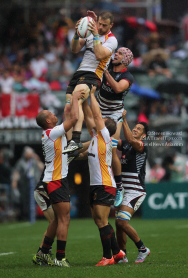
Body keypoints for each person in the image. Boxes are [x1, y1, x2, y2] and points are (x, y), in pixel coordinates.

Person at [33, 90, 84, 267]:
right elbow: (74, 119)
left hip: (55, 179)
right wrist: (76, 98)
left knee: (57, 219)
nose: (55, 115)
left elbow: (68, 114)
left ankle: (43, 252)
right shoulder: (52, 132)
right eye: (52, 114)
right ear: (48, 121)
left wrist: (70, 102)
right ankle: (60, 258)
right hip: (55, 181)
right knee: (64, 219)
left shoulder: (52, 133)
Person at [63, 10, 118, 154]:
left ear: (111, 25)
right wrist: (77, 33)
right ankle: (70, 148)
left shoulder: (112, 40)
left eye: (104, 25)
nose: (100, 27)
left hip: (93, 75)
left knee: (76, 99)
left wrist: (95, 34)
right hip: (79, 73)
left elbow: (99, 54)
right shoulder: (91, 33)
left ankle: (76, 139)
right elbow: (74, 49)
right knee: (67, 109)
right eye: (99, 23)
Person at [83, 86, 125, 266]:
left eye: (101, 120)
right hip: (96, 184)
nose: (98, 121)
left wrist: (92, 95)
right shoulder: (95, 138)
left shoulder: (106, 135)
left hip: (105, 183)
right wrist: (82, 100)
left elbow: (97, 116)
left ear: (105, 125)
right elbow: (88, 117)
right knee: (99, 220)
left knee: (102, 221)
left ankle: (107, 257)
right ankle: (117, 252)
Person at [96, 47, 134, 208]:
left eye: (119, 53)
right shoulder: (108, 67)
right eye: (116, 52)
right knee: (97, 148)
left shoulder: (127, 76)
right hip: (99, 109)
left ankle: (119, 187)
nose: (115, 54)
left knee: (111, 148)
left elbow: (118, 88)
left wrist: (105, 73)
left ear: (125, 59)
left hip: (115, 113)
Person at [115, 110, 150, 263]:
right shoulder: (127, 146)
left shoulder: (141, 145)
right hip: (124, 191)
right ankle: (122, 255)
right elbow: (114, 141)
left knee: (122, 222)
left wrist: (123, 119)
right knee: (119, 224)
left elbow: (128, 138)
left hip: (136, 190)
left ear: (144, 136)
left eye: (139, 129)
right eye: (134, 127)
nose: (135, 129)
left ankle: (143, 249)